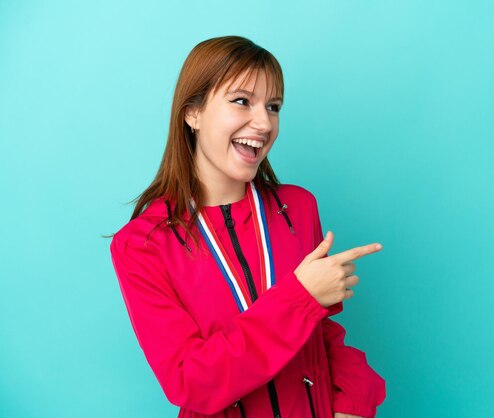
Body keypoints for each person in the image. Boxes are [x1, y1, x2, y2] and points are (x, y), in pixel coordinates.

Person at [109, 35, 386, 418]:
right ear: (193, 113)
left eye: (273, 107)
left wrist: (353, 401)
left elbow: (323, 335)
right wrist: (300, 297)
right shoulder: (142, 244)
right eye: (242, 101)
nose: (264, 123)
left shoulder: (298, 208)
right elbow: (191, 381)